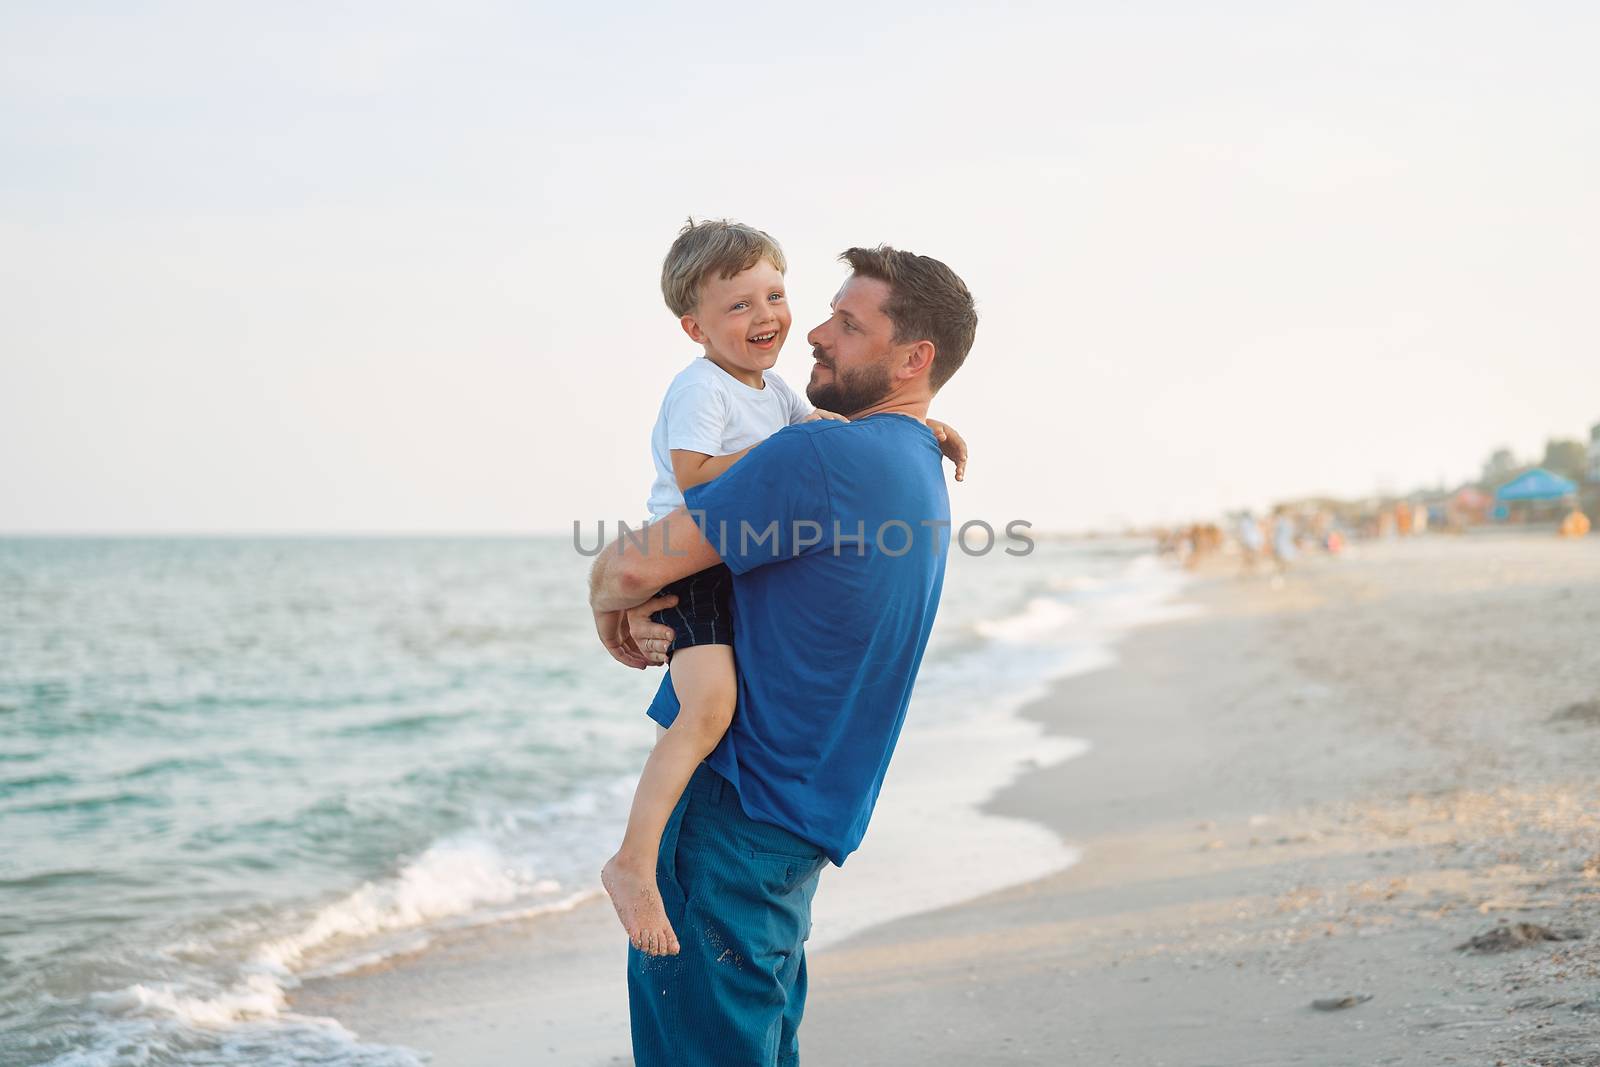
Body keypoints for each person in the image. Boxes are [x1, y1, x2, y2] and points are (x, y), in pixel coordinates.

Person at [589, 244, 976, 1066]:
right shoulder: (910, 463)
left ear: (914, 358)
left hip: (736, 806)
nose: (815, 334)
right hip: (807, 811)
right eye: (827, 313)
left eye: (847, 323)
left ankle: (628, 859)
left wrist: (604, 602)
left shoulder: (821, 455)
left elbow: (632, 564)